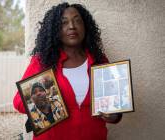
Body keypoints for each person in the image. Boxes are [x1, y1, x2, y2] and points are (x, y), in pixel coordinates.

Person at [13, 2, 122, 140]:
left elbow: (114, 105)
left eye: (77, 21)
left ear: (85, 27)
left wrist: (114, 116)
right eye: (64, 23)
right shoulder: (42, 61)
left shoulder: (99, 60)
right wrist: (47, 102)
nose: (72, 26)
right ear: (55, 30)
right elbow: (18, 102)